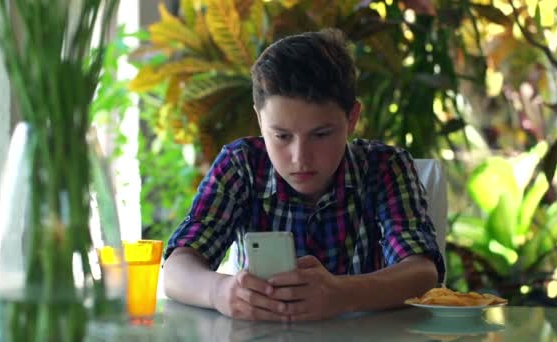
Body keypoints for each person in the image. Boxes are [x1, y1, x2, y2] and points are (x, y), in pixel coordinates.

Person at [162, 28, 445, 322]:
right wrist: (220, 291)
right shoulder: (241, 164)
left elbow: (422, 272)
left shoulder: (385, 167)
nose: (300, 158)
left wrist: (343, 294)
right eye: (282, 136)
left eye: (321, 134)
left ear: (352, 119)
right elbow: (176, 269)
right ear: (260, 121)